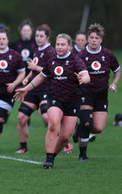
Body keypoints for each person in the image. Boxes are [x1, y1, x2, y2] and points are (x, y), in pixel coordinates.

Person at [14, 34, 90, 169]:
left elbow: (86, 77)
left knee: (65, 136)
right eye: (58, 44)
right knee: (53, 124)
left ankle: (53, 155)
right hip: (55, 98)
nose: (59, 47)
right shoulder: (52, 61)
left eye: (63, 44)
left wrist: (82, 79)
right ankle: (49, 159)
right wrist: (26, 88)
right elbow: (41, 77)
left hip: (72, 101)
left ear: (69, 47)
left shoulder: (76, 61)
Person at [74, 23, 120, 160]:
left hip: (101, 96)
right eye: (92, 37)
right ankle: (82, 155)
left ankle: (80, 128)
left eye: (97, 38)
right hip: (84, 94)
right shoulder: (81, 55)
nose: (94, 40)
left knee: (98, 128)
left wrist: (114, 83)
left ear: (101, 40)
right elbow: (73, 73)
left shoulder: (108, 55)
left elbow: (117, 70)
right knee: (87, 122)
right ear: (88, 39)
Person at [15, 24, 55, 153]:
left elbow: (52, 72)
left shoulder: (51, 52)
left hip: (46, 90)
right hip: (33, 90)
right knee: (21, 118)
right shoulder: (37, 50)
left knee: (46, 117)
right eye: (37, 36)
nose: (38, 38)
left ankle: (62, 140)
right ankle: (23, 147)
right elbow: (34, 70)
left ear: (47, 37)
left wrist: (35, 68)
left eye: (41, 36)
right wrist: (27, 78)